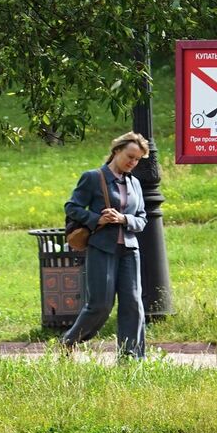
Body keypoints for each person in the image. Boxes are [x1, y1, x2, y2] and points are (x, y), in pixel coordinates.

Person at [59, 132, 150, 360]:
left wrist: (124, 219)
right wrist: (96, 219)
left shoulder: (135, 183)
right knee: (100, 304)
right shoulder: (93, 177)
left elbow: (142, 218)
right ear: (116, 151)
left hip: (130, 250)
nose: (133, 162)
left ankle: (131, 358)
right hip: (102, 248)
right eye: (130, 156)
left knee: (133, 304)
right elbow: (72, 207)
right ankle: (69, 341)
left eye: (137, 159)